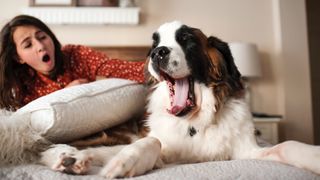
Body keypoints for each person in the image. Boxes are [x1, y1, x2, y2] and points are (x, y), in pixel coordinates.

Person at [0, 15, 145, 111]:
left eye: (42, 37)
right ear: (18, 57)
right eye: (28, 45)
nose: (40, 46)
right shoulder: (19, 84)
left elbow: (122, 69)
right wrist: (67, 93)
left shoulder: (76, 55)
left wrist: (159, 68)